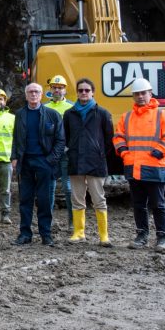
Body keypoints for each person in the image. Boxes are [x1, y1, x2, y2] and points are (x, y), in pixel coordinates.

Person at [114, 78, 165, 253]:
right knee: (138, 205)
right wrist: (124, 152)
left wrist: (159, 151)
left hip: (154, 167)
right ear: (133, 96)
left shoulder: (163, 115)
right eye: (137, 94)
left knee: (158, 204)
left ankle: (162, 238)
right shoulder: (127, 117)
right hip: (133, 167)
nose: (140, 96)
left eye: (143, 93)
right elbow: (118, 137)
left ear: (150, 93)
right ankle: (141, 235)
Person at [11, 82, 65, 247]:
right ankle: (25, 234)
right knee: (25, 200)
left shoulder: (52, 115)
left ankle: (46, 234)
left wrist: (50, 160)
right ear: (26, 95)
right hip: (25, 162)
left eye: (36, 92)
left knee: (44, 200)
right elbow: (16, 137)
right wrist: (14, 157)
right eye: (30, 92)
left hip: (44, 162)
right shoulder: (20, 114)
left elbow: (60, 140)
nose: (33, 94)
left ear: (41, 95)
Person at [64, 78, 114, 247]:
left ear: (93, 92)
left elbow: (109, 139)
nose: (84, 93)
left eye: (87, 90)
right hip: (76, 162)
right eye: (80, 90)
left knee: (99, 199)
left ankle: (104, 236)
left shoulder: (103, 114)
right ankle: (79, 233)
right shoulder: (69, 114)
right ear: (77, 93)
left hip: (95, 163)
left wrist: (99, 154)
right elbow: (66, 137)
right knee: (77, 199)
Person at [45, 74, 74, 228]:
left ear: (65, 90)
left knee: (68, 188)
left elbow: (76, 131)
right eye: (54, 88)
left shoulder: (72, 107)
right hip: (50, 154)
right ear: (50, 89)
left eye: (60, 88)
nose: (57, 90)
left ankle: (72, 223)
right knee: (50, 188)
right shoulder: (44, 107)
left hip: (66, 153)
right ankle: (48, 222)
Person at [0, 89, 15, 224]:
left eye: (1, 99)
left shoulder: (12, 118)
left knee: (6, 190)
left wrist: (14, 157)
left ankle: (5, 215)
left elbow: (16, 139)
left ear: (5, 101)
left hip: (6, 160)